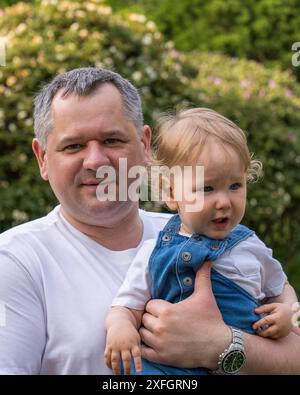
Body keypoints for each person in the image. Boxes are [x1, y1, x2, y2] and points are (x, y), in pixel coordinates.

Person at [0, 67, 299, 375]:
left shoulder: (200, 233)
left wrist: (221, 345)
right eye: (73, 146)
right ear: (43, 158)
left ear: (144, 145)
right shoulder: (15, 262)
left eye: (112, 140)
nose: (95, 161)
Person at [104, 108, 298, 375]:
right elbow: (126, 307)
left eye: (235, 186)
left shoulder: (250, 246)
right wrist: (121, 328)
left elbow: (281, 287)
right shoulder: (153, 252)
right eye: (207, 188)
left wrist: (288, 313)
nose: (224, 201)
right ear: (171, 192)